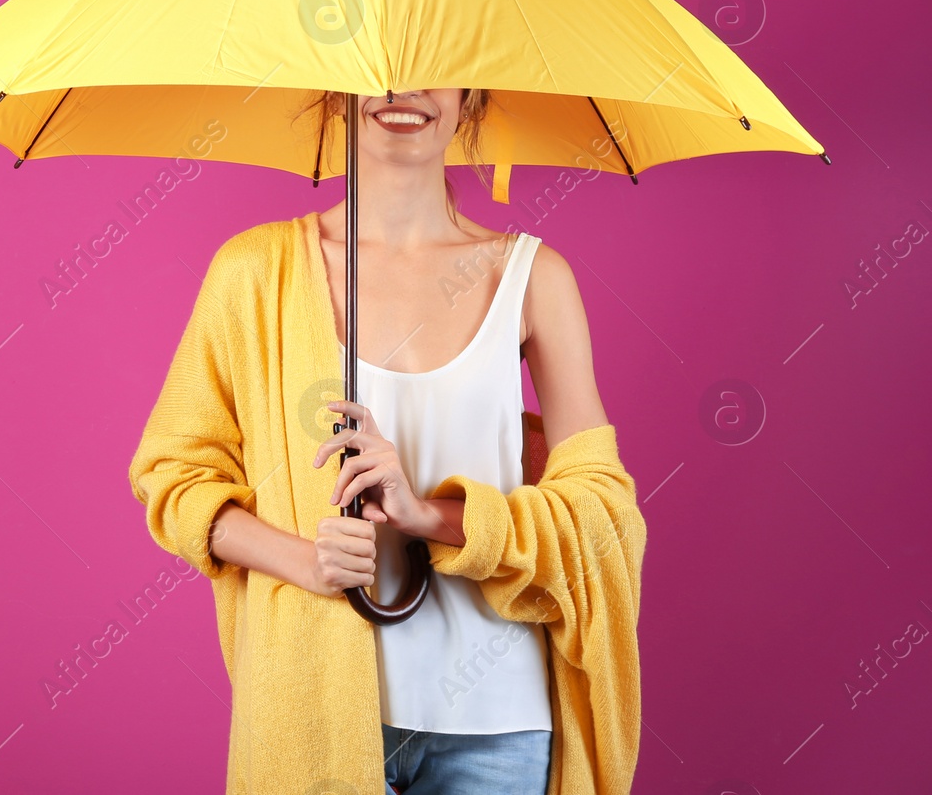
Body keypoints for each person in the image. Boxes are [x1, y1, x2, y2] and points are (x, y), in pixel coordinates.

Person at [128, 88, 645, 795]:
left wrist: (429, 516)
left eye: (435, 65)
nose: (406, 90)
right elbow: (175, 479)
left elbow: (603, 517)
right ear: (338, 95)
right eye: (383, 66)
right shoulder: (253, 274)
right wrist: (306, 562)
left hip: (497, 724)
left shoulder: (530, 278)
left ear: (471, 98)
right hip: (311, 717)